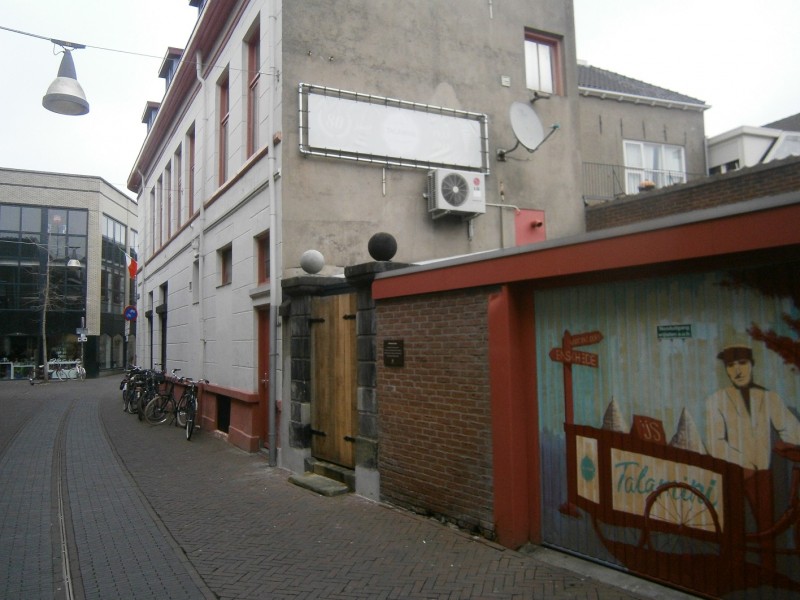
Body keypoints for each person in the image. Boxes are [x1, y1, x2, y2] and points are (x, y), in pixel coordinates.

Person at [705, 344, 800, 569]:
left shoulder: (769, 398)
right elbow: (715, 442)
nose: (737, 370)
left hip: (762, 473)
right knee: (733, 524)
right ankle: (733, 567)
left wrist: (789, 444)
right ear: (726, 370)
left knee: (767, 526)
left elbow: (791, 428)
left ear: (751, 365)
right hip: (732, 471)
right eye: (731, 365)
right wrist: (742, 465)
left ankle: (768, 571)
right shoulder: (716, 400)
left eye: (742, 363)